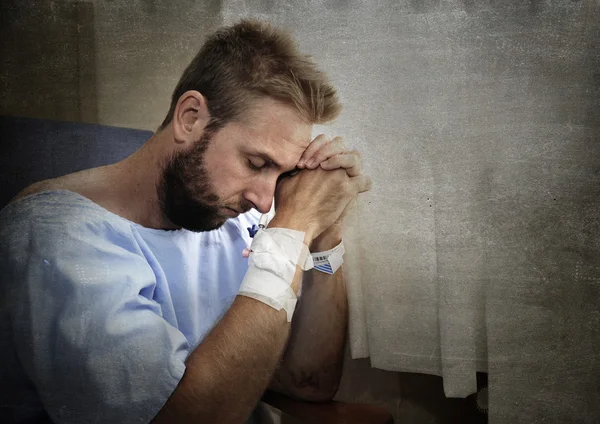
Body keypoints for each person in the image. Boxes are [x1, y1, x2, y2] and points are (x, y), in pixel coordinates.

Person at [0, 19, 372, 423]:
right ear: (190, 117)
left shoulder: (221, 215)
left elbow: (309, 382)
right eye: (256, 163)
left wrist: (324, 236)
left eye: (280, 175)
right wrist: (295, 225)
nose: (265, 201)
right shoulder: (57, 237)